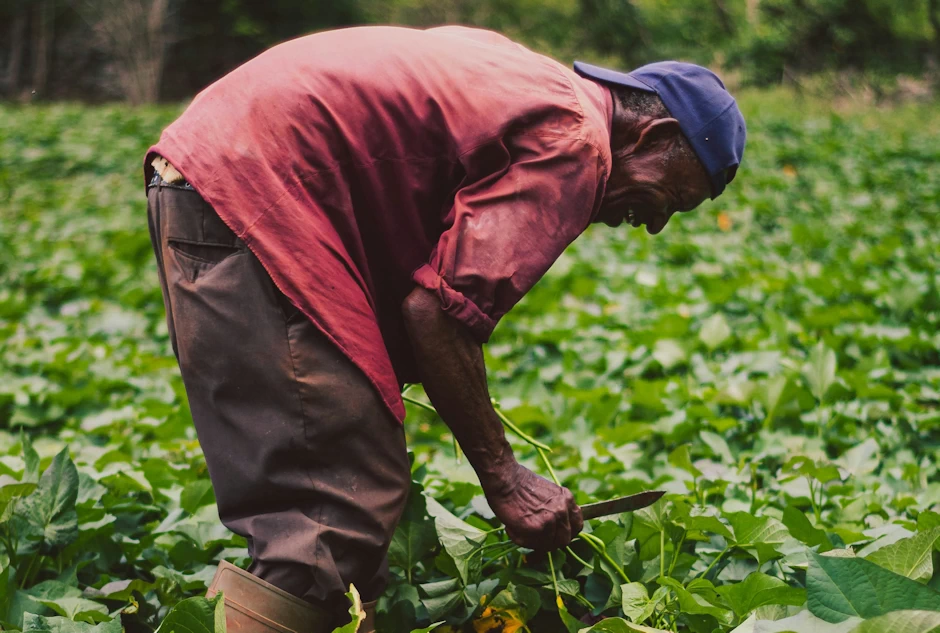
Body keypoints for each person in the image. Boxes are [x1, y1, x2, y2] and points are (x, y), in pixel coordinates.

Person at [143, 25, 745, 633]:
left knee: (345, 477)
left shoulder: (537, 84)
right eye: (675, 196)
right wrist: (506, 478)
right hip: (256, 192)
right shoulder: (577, 143)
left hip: (219, 171)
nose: (658, 223)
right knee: (334, 512)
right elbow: (437, 315)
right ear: (658, 134)